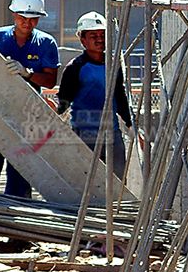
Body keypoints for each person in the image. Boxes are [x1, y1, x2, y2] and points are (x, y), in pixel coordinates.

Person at [0, 0, 60, 198]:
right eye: (23, 18)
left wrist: (28, 73)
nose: (28, 23)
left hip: (25, 115)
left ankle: (19, 215)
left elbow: (50, 80)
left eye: (33, 19)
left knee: (21, 169)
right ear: (14, 14)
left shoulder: (46, 43)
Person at [57, 11, 133, 180]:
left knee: (117, 182)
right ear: (82, 39)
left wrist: (131, 124)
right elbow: (64, 101)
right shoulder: (75, 68)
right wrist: (53, 112)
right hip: (84, 136)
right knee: (85, 181)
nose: (99, 39)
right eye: (93, 35)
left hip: (112, 135)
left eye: (102, 34)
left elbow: (120, 98)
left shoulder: (114, 66)